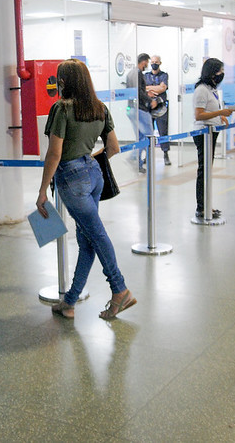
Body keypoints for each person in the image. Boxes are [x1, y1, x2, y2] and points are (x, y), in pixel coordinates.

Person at [36, 59, 135, 320]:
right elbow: (113, 148)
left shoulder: (61, 109)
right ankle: (69, 301)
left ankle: (119, 289)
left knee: (96, 235)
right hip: (94, 172)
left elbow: (54, 153)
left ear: (64, 82)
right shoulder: (100, 108)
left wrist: (42, 190)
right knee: (87, 240)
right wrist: (87, 160)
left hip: (71, 178)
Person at [192, 58, 233, 219]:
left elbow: (210, 110)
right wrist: (220, 113)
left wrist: (220, 118)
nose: (221, 74)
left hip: (211, 131)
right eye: (219, 71)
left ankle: (207, 205)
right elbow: (199, 114)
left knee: (208, 170)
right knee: (204, 170)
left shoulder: (211, 89)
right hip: (203, 133)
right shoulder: (201, 90)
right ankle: (201, 207)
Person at [127, 53, 156, 173]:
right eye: (147, 63)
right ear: (143, 61)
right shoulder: (138, 73)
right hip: (140, 109)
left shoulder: (130, 73)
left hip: (131, 108)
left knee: (140, 136)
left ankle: (138, 163)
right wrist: (150, 100)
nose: (148, 65)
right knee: (149, 136)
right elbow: (138, 92)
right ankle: (134, 156)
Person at [144, 55, 171, 165]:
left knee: (163, 131)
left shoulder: (164, 75)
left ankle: (166, 155)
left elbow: (162, 88)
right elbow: (143, 88)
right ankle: (147, 155)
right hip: (149, 107)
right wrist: (155, 88)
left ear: (160, 63)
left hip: (161, 108)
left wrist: (149, 88)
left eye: (156, 62)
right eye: (153, 62)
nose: (154, 64)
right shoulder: (146, 76)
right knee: (148, 133)